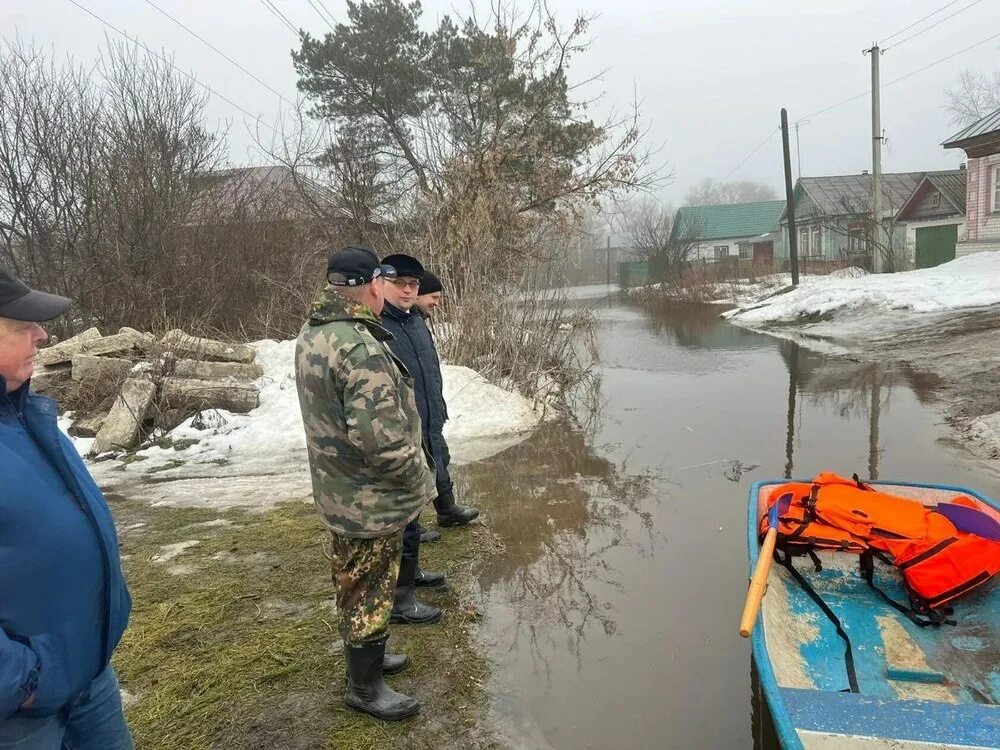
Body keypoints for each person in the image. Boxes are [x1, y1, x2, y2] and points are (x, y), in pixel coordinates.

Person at [295, 246, 435, 721]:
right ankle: (365, 688)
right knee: (368, 588)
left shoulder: (316, 333)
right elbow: (381, 439)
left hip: (340, 491)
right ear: (374, 285)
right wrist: (421, 478)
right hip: (368, 498)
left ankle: (368, 664)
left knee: (355, 582)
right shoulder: (358, 345)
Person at [0, 268, 134, 749]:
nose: (42, 334)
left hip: (86, 675)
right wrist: (24, 682)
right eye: (21, 326)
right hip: (21, 712)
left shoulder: (23, 414)